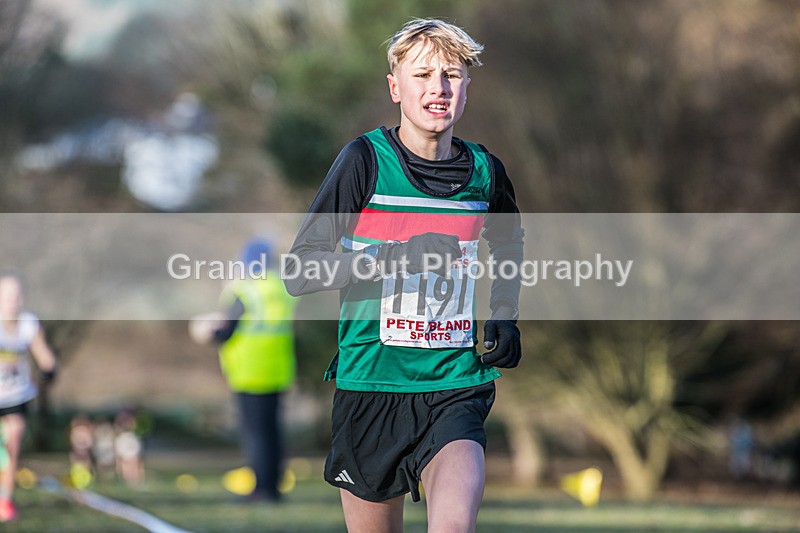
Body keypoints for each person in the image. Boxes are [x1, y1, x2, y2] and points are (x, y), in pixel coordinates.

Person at [284, 18, 524, 532]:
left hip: (453, 385)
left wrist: (505, 314)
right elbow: (299, 271)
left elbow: (508, 240)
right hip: (371, 383)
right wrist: (396, 257)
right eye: (423, 75)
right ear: (395, 88)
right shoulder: (363, 161)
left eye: (452, 75)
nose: (439, 88)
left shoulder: (486, 172)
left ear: (467, 88)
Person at [204, 239, 297, 502]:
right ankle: (274, 488)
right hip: (278, 369)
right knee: (273, 431)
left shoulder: (244, 290)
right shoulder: (281, 287)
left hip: (250, 370)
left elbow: (226, 332)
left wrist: (208, 332)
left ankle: (261, 490)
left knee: (256, 434)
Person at [0, 275, 58, 522]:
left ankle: (4, 500)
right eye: (7, 296)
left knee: (13, 440)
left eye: (17, 295)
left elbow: (43, 355)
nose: (13, 301)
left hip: (16, 395)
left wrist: (49, 369)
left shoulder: (28, 324)